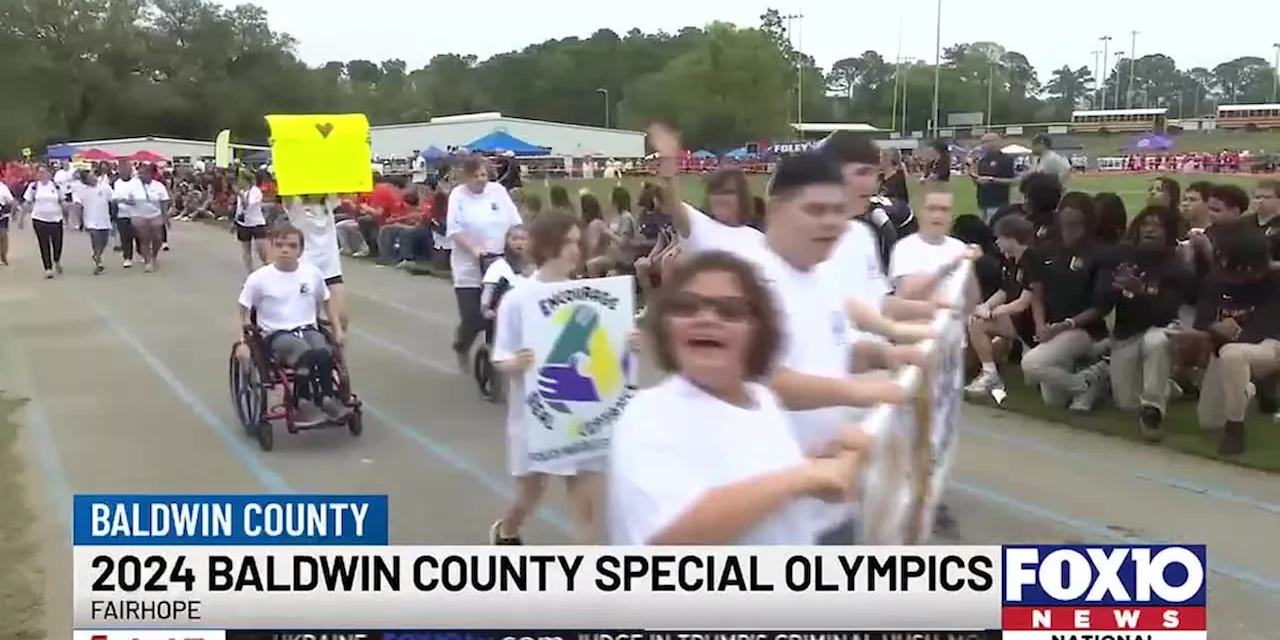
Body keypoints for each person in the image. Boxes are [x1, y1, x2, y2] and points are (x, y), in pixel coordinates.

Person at [608, 251, 864, 544]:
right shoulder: (649, 415)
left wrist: (818, 465)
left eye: (729, 311)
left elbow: (753, 483)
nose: (706, 318)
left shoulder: (761, 399)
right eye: (686, 307)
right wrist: (800, 479)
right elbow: (671, 537)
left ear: (757, 330)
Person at [488, 211, 627, 545]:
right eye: (567, 243)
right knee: (530, 494)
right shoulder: (518, 298)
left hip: (583, 418)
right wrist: (516, 362)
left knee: (588, 507)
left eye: (577, 243)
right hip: (537, 416)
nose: (575, 250)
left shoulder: (588, 296)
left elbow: (605, 351)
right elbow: (500, 355)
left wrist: (627, 343)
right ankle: (506, 531)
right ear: (547, 245)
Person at [1173, 222, 1280, 455]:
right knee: (1209, 422)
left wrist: (1225, 329)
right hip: (1225, 350)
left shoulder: (1275, 281)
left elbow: (1264, 328)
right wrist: (1201, 334)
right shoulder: (1215, 279)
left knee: (1233, 354)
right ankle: (1249, 390)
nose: (1229, 268)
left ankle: (1235, 429)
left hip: (1270, 346)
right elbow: (1204, 319)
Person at [235, 224, 347, 426]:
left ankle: (325, 398)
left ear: (300, 250)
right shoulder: (258, 279)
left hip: (308, 329)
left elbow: (327, 301)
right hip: (276, 334)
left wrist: (338, 329)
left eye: (291, 245)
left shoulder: (312, 273)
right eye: (279, 245)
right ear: (271, 248)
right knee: (303, 350)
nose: (285, 250)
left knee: (324, 350)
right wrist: (242, 342)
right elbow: (243, 309)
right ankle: (303, 401)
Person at [1104, 205, 1193, 441]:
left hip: (1161, 327)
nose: (1150, 230)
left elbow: (1165, 312)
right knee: (1125, 403)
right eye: (1146, 224)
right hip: (1127, 332)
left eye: (1157, 225)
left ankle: (1152, 410)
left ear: (1169, 231)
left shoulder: (1177, 268)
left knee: (1157, 342)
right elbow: (1105, 297)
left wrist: (1140, 291)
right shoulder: (1125, 255)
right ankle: (1169, 386)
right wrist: (1109, 289)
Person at [1020, 193, 1113, 410]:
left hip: (1083, 330)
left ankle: (1084, 380)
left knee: (1031, 364)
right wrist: (1040, 325)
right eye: (1065, 220)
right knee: (1054, 401)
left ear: (1087, 220)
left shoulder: (1099, 253)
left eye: (1076, 222)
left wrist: (1068, 324)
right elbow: (1037, 291)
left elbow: (1101, 306)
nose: (1070, 228)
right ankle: (1090, 377)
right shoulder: (1047, 249)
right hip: (1052, 328)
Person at [446, 155, 523, 370]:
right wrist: (475, 249)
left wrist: (518, 243)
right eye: (476, 176)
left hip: (501, 262)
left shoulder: (497, 192)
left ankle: (495, 356)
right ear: (466, 177)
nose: (481, 179)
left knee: (500, 312)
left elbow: (515, 221)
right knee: (473, 317)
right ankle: (462, 343)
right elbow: (455, 230)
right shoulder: (458, 196)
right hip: (470, 266)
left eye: (484, 175)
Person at [647, 123, 763, 261]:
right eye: (715, 192)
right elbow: (676, 207)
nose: (720, 198)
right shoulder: (702, 228)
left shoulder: (759, 241)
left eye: (728, 192)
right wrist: (669, 164)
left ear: (742, 197)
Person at [966, 214, 1039, 395]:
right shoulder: (1011, 261)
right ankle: (989, 372)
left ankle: (991, 370)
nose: (997, 242)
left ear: (1011, 238)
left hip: (1030, 323)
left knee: (979, 324)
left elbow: (1024, 302)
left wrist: (995, 312)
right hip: (1016, 319)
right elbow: (1004, 291)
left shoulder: (1031, 261)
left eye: (1000, 238)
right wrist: (986, 306)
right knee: (977, 322)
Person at [284, 195, 349, 330]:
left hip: (330, 268)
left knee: (341, 319)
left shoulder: (328, 201)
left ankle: (338, 348)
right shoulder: (294, 203)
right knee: (308, 321)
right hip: (306, 267)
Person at [21, 167, 65, 278]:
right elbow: (27, 202)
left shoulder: (55, 186)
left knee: (57, 242)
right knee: (43, 243)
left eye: (44, 172)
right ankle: (48, 268)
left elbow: (62, 201)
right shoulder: (34, 187)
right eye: (39, 172)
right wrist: (21, 218)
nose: (42, 174)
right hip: (39, 218)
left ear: (49, 173)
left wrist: (69, 212)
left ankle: (56, 259)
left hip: (56, 218)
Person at [128, 163, 170, 272]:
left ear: (151, 174)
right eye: (140, 173)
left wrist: (165, 216)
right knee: (144, 238)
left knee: (157, 238)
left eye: (144, 173)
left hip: (155, 215)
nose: (141, 175)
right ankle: (147, 261)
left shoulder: (158, 186)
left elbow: (164, 200)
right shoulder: (133, 185)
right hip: (139, 215)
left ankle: (153, 255)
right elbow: (128, 199)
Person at [72, 169, 114, 274]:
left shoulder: (104, 187)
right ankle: (99, 260)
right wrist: (79, 220)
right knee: (95, 238)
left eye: (94, 176)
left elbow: (112, 200)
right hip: (90, 220)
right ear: (85, 180)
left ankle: (97, 254)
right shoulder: (80, 190)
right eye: (90, 178)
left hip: (104, 219)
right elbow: (77, 205)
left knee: (104, 241)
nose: (94, 178)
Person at [970, 133, 1017, 223]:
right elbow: (978, 181)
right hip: (983, 202)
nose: (983, 145)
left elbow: (1013, 181)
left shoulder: (1006, 160)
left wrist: (992, 180)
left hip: (998, 202)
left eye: (986, 142)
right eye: (982, 142)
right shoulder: (982, 160)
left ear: (997, 142)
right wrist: (973, 176)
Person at [234, 172, 269, 273]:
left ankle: (267, 268)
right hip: (243, 224)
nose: (239, 182)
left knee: (261, 250)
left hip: (256, 223)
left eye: (240, 180)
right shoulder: (241, 192)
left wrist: (240, 195)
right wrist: (235, 221)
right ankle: (250, 272)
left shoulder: (255, 191)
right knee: (246, 249)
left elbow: (247, 205)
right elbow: (239, 209)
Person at [0, 178, 13, 266]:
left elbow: (10, 200)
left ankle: (3, 255)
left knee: (3, 235)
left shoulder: (3, 187)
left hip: (2, 214)